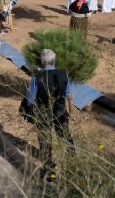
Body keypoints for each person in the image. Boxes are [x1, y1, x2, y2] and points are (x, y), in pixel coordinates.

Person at [22, 49, 73, 180]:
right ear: (54, 61)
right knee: (66, 138)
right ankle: (74, 168)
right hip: (60, 111)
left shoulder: (37, 77)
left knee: (45, 143)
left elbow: (30, 99)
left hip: (43, 113)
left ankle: (50, 173)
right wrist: (69, 111)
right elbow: (67, 94)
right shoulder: (64, 74)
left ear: (43, 62)